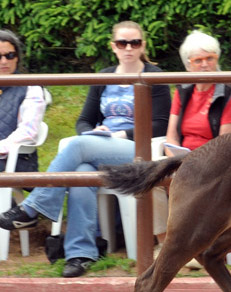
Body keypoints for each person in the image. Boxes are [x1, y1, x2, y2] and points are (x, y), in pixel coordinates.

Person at [0, 21, 171, 277]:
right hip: (100, 146)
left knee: (78, 145)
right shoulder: (103, 76)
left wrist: (119, 133)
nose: (128, 48)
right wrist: (95, 132)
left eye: (134, 42)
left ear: (142, 45)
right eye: (122, 43)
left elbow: (160, 124)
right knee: (80, 171)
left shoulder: (154, 76)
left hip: (139, 148)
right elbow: (84, 120)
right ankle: (81, 254)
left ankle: (33, 208)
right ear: (113, 46)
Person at [160, 30, 231, 268]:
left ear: (217, 60)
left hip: (219, 162)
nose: (204, 65)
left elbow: (226, 147)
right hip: (183, 158)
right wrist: (173, 157)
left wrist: (192, 164)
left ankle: (195, 247)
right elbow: (171, 133)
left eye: (209, 59)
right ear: (188, 65)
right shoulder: (183, 90)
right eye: (197, 61)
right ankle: (167, 244)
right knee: (151, 173)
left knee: (198, 180)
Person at [0, 29, 46, 173]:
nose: (4, 61)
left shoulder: (31, 88)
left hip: (14, 161)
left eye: (10, 55)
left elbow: (28, 132)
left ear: (17, 58)